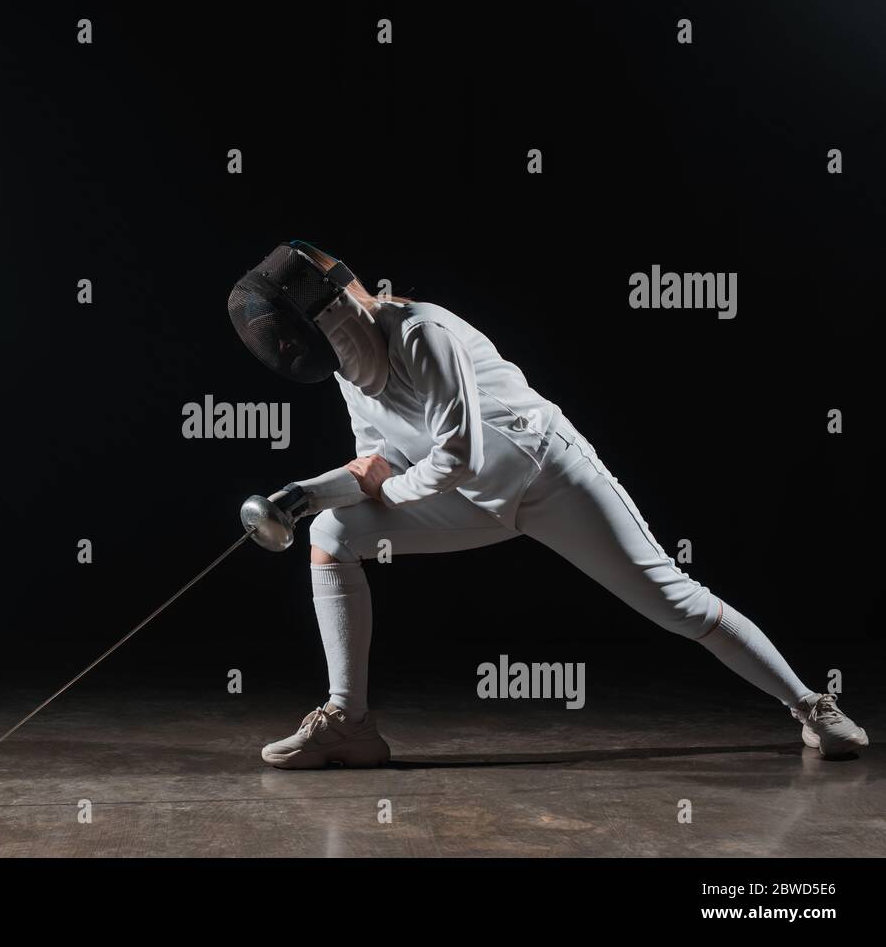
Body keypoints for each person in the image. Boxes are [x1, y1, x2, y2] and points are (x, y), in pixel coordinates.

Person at [227, 241, 869, 770]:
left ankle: (811, 705)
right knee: (334, 532)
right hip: (471, 502)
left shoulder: (423, 332)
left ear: (330, 311)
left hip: (549, 478)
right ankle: (351, 725)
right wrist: (303, 497)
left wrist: (381, 489)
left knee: (674, 601)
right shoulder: (347, 372)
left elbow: (454, 459)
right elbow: (377, 462)